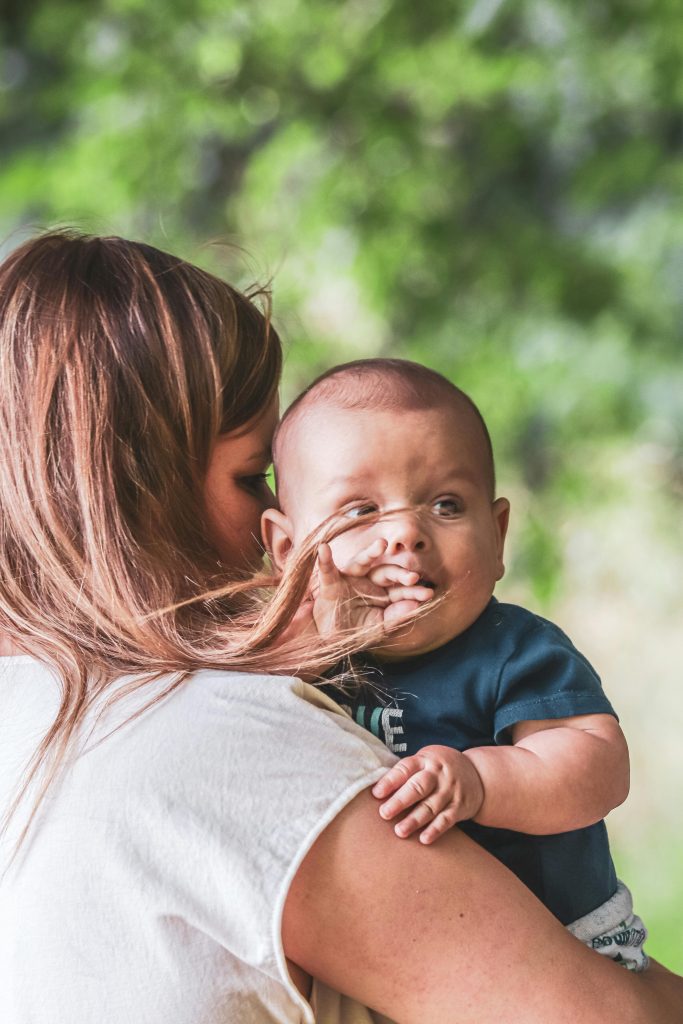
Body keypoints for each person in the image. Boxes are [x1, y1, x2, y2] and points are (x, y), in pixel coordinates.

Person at [0, 232, 681, 1024]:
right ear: (134, 488)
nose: (266, 536)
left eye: (445, 505)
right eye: (252, 479)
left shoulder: (36, 712)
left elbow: (591, 761)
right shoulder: (218, 736)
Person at [263, 358, 647, 971]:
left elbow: (598, 768)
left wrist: (481, 782)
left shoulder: (513, 650)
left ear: (497, 536)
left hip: (560, 947)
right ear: (289, 551)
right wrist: (311, 649)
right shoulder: (298, 662)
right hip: (398, 955)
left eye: (445, 504)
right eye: (360, 511)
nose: (406, 535)